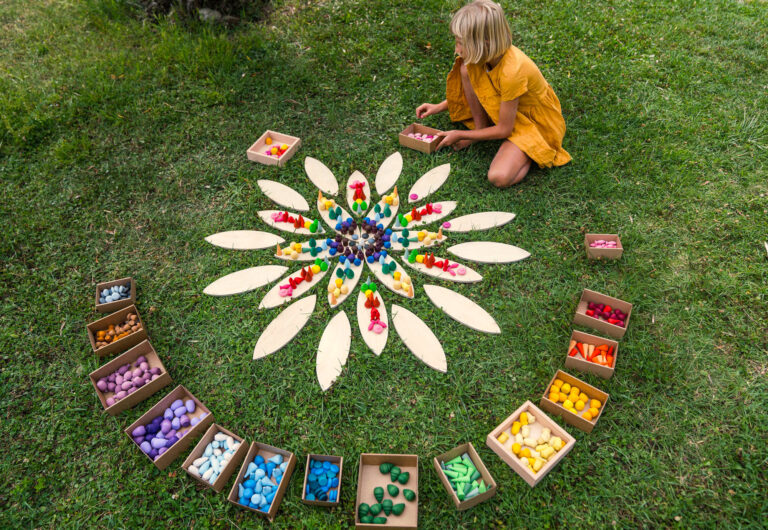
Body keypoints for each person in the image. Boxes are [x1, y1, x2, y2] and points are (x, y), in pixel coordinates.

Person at [416, 0, 571, 187]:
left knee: (499, 177)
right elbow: (485, 88)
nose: (457, 49)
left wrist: (461, 134)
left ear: (484, 43)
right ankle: (480, 128)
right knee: (466, 69)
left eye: (460, 43)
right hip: (506, 108)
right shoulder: (484, 57)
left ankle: (531, 150)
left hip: (532, 122)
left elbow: (505, 130)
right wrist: (439, 106)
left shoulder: (513, 72)